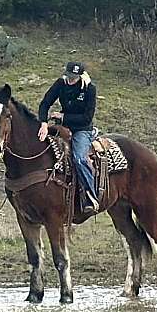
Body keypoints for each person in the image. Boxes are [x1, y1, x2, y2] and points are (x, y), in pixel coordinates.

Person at [38, 62, 99, 213]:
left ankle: (91, 194)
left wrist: (63, 116)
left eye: (74, 77)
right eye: (69, 76)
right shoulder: (61, 83)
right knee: (41, 144)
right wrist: (44, 123)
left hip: (81, 129)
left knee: (79, 158)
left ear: (80, 76)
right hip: (62, 126)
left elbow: (87, 118)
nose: (70, 80)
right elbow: (45, 103)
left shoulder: (89, 89)